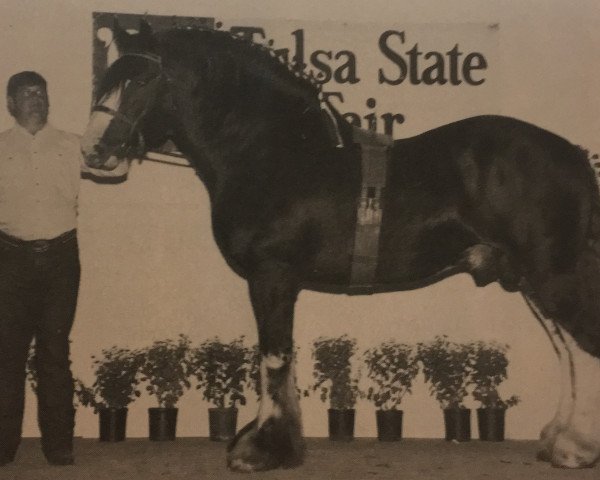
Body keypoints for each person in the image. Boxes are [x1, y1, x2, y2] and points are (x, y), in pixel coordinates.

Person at [0, 71, 128, 466]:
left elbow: (118, 169)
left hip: (60, 259)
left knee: (54, 353)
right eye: (26, 94)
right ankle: (3, 447)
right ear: (11, 104)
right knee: (7, 355)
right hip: (10, 260)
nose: (35, 100)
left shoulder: (73, 144)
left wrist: (114, 146)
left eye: (41, 92)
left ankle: (59, 445)